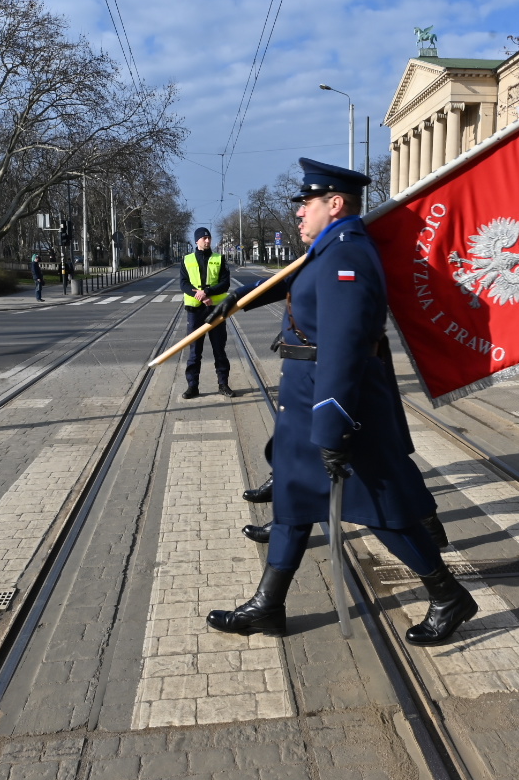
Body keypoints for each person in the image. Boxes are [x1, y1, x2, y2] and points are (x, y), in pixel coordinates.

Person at [205, 158, 477, 646]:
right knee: (292, 500)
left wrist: (331, 427)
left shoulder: (347, 255)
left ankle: (448, 594)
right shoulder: (329, 248)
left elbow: (345, 346)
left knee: (377, 509)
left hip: (333, 405)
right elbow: (295, 282)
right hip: (304, 402)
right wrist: (240, 298)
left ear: (334, 204)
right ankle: (268, 606)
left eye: (305, 203)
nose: (297, 213)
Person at [180, 227, 236, 399]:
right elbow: (183, 283)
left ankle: (223, 384)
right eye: (203, 238)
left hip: (216, 309)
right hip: (195, 311)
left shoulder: (219, 258)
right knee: (195, 351)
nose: (207, 240)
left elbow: (225, 283)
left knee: (219, 349)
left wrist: (208, 292)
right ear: (196, 241)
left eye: (209, 238)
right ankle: (192, 386)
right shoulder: (187, 259)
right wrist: (200, 295)